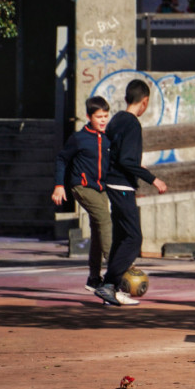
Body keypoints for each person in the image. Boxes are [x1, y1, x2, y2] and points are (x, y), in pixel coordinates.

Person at [93, 80, 168, 307]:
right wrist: (152, 178)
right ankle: (108, 285)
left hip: (113, 184)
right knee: (134, 238)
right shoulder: (132, 124)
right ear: (144, 102)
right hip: (122, 186)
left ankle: (111, 289)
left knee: (122, 237)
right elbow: (127, 160)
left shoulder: (116, 120)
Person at [52, 96, 113, 292]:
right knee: (105, 220)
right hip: (82, 187)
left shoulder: (107, 137)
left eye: (105, 116)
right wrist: (59, 185)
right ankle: (116, 272)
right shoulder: (79, 138)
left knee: (97, 230)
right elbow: (62, 159)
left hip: (101, 189)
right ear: (88, 117)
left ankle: (94, 277)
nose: (103, 120)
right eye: (98, 117)